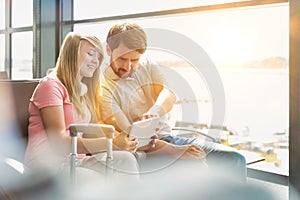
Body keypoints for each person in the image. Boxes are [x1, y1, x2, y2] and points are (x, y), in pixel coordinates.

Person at [99, 22, 247, 182]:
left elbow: (168, 94)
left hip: (168, 137)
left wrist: (153, 113)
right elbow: (129, 137)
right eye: (122, 59)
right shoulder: (102, 85)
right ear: (109, 50)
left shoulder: (147, 65)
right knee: (196, 168)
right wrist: (175, 150)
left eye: (134, 60)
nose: (128, 66)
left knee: (235, 159)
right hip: (145, 150)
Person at [24, 32, 139, 181]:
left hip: (75, 162)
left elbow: (92, 129)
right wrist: (111, 144)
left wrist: (124, 141)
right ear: (71, 53)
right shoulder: (50, 86)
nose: (95, 61)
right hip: (48, 165)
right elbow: (58, 142)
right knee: (94, 180)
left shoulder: (82, 90)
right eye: (90, 54)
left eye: (98, 57)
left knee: (126, 160)